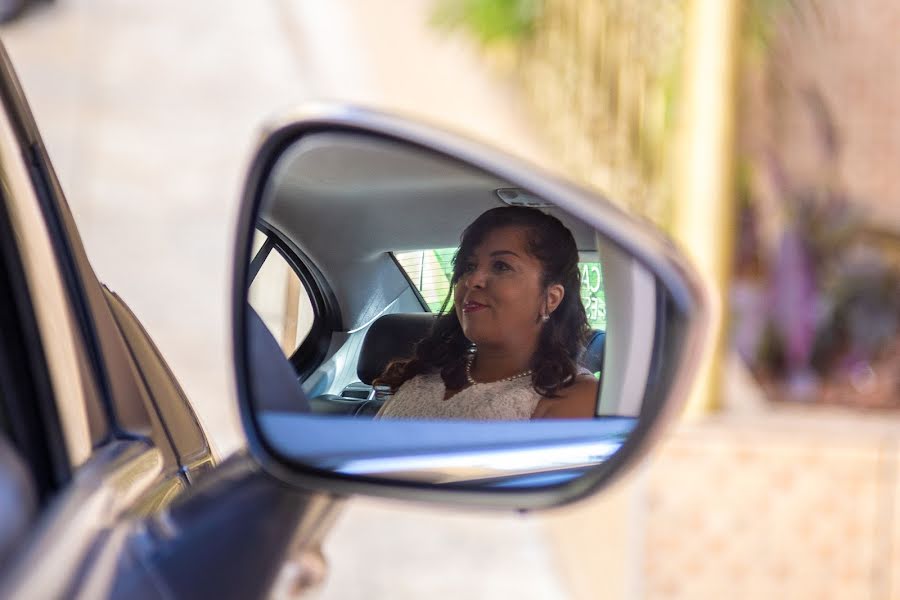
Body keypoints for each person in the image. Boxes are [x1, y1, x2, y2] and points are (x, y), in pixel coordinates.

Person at [376, 206, 599, 420]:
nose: (472, 280)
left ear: (551, 298)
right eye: (468, 267)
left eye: (501, 266)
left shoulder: (576, 396)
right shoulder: (421, 378)